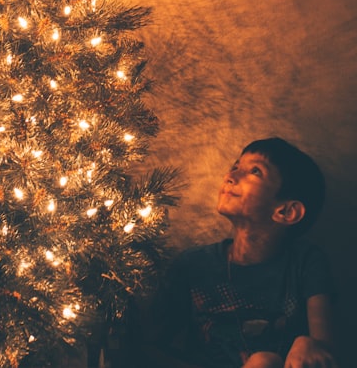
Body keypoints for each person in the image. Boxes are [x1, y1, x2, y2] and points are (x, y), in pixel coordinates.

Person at [142, 138, 338, 368]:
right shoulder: (193, 264)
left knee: (265, 362)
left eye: (255, 171)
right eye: (235, 167)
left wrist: (308, 344)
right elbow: (149, 348)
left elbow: (326, 352)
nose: (230, 176)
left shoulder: (305, 262)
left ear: (286, 211)